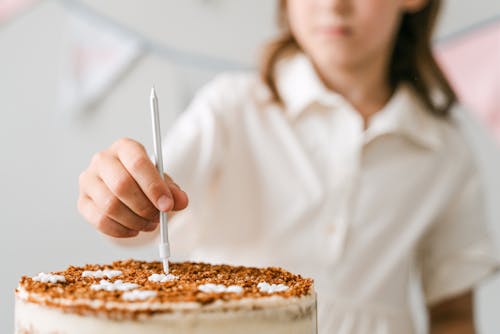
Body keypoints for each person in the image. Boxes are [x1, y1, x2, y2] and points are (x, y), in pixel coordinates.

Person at [77, 0, 499, 333]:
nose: (333, 3)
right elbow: (145, 216)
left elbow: (452, 316)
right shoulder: (231, 109)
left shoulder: (444, 152)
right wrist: (122, 193)